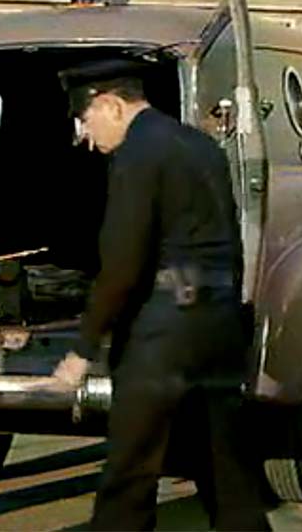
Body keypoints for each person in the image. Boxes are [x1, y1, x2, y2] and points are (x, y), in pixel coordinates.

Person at [50, 59, 271, 531]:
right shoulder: (201, 145)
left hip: (163, 331)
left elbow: (123, 266)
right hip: (218, 323)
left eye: (84, 122)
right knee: (225, 468)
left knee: (130, 469)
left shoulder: (136, 155)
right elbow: (232, 240)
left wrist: (83, 347)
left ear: (109, 105)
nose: (86, 137)